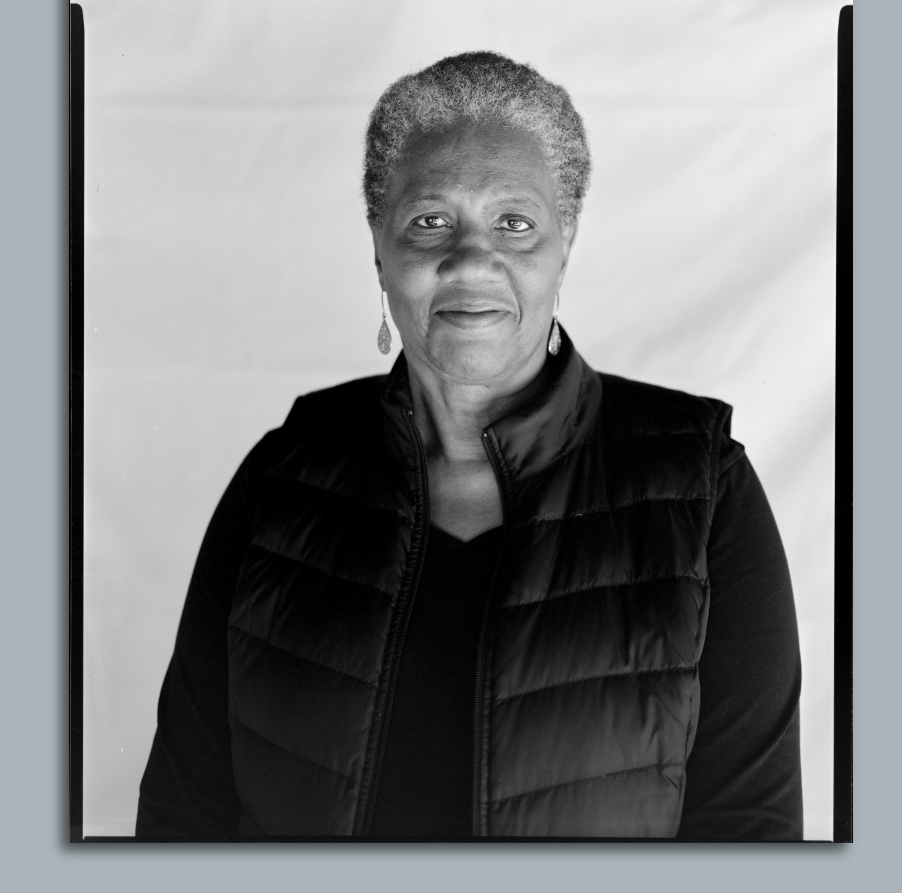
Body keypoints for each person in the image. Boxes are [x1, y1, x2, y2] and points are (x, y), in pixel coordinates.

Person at [135, 52, 802, 840]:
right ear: (379, 247)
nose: (472, 258)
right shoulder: (283, 478)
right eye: (429, 220)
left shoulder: (701, 484)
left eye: (515, 223)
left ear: (566, 243)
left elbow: (750, 837)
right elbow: (184, 819)